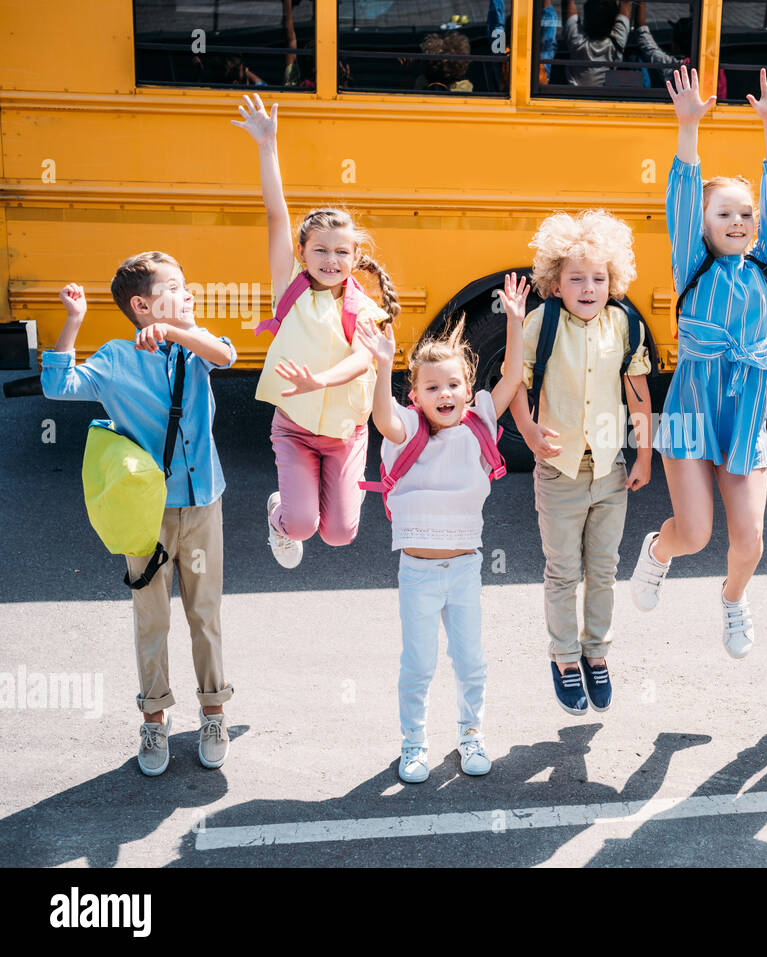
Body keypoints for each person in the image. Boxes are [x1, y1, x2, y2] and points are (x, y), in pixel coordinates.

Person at [41, 255, 236, 776]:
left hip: (201, 503)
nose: (188, 290)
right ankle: (154, 720)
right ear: (141, 304)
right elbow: (57, 387)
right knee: (152, 619)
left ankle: (213, 711)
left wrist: (177, 329)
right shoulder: (115, 359)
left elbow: (224, 355)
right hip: (145, 513)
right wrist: (74, 323)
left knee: (206, 613)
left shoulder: (192, 349)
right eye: (175, 286)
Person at [630, 64, 767, 659]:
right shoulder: (691, 266)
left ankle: (733, 599)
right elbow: (680, 193)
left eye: (745, 214)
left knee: (748, 544)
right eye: (724, 214)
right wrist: (687, 129)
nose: (739, 222)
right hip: (691, 413)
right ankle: (656, 553)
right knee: (695, 534)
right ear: (701, 225)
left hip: (746, 418)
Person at [355, 274, 528, 783]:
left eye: (453, 384)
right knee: (419, 666)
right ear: (417, 395)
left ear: (468, 390)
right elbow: (382, 415)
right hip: (418, 573)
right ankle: (414, 744)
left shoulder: (479, 419)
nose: (445, 393)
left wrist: (515, 323)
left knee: (471, 661)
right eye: (432, 387)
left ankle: (471, 735)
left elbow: (513, 374)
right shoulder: (405, 428)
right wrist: (383, 365)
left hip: (465, 570)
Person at [232, 93, 400, 570]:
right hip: (296, 428)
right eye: (320, 250)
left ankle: (298, 508)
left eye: (341, 252)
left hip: (345, 434)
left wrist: (321, 381)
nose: (331, 260)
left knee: (341, 534)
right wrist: (267, 145)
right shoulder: (288, 287)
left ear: (354, 257)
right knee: (302, 525)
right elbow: (275, 213)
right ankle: (279, 515)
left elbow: (362, 360)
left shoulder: (365, 307)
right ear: (303, 253)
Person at [506, 210, 652, 715]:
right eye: (576, 278)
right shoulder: (541, 324)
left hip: (610, 468)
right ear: (555, 282)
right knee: (563, 570)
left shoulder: (624, 324)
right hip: (560, 469)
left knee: (604, 570)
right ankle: (565, 658)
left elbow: (638, 396)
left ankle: (597, 653)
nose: (588, 287)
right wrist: (525, 428)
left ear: (613, 281)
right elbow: (517, 381)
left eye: (598, 278)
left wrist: (645, 455)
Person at [562, 0, 632, 86]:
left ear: (586, 21)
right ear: (614, 23)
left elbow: (568, 5)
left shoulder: (578, 42)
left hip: (573, 96)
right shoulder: (617, 43)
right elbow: (626, 4)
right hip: (605, 96)